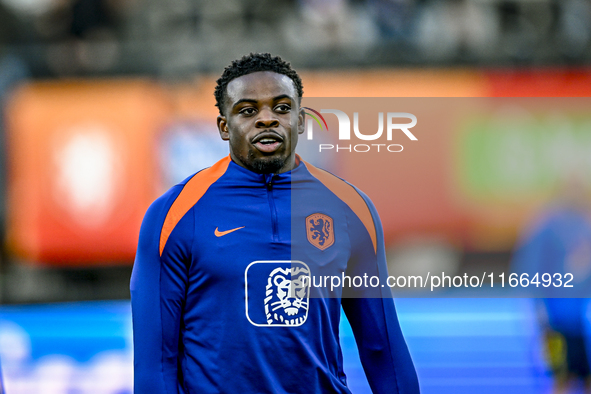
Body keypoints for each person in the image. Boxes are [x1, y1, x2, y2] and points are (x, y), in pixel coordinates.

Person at [130, 53, 420, 393]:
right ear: (224, 126)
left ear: (300, 120)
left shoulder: (350, 209)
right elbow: (155, 363)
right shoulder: (175, 214)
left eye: (282, 108)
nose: (267, 119)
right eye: (248, 110)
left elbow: (382, 348)